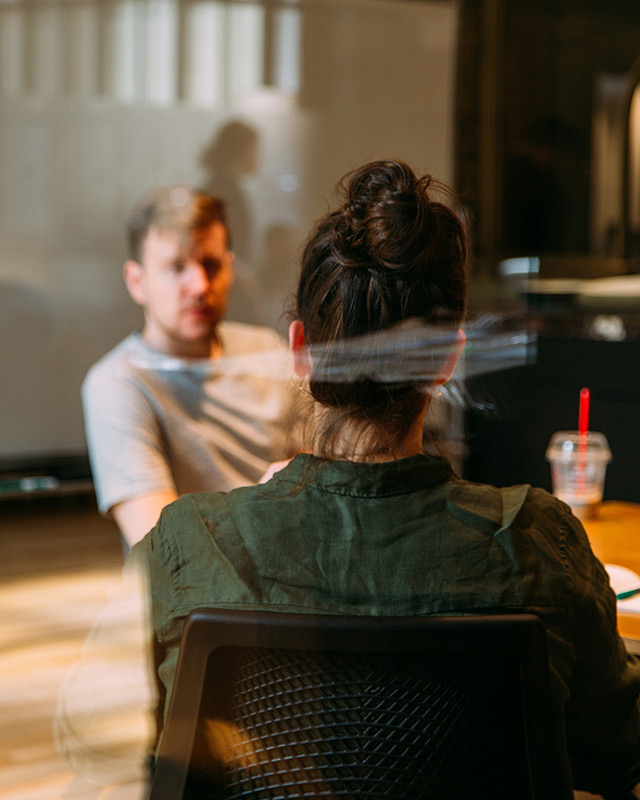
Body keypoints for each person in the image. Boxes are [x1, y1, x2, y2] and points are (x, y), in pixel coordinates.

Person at [132, 160, 640, 796]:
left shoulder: (186, 546)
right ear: (449, 358)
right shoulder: (539, 543)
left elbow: (160, 756)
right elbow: (616, 753)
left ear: (300, 348)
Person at [82, 185, 300, 549]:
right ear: (137, 281)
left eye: (210, 265)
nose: (199, 285)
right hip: (201, 585)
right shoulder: (118, 383)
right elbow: (162, 548)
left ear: (230, 269)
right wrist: (263, 504)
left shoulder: (268, 350)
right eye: (176, 267)